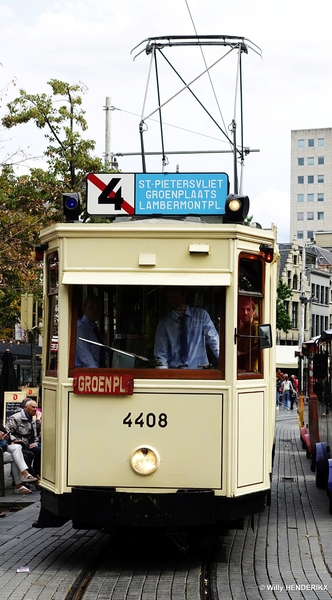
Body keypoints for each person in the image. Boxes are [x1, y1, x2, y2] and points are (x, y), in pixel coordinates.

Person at [154, 287, 219, 369]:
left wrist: (226, 364)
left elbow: (215, 341)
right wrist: (164, 378)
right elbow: (161, 355)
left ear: (184, 295)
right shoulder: (164, 324)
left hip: (200, 373)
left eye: (174, 297)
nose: (171, 300)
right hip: (175, 373)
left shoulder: (201, 316)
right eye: (169, 297)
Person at [6, 399, 41, 476]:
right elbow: (7, 431)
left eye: (36, 407)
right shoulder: (16, 417)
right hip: (19, 444)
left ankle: (36, 473)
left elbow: (35, 434)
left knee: (40, 450)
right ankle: (26, 476)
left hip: (28, 444)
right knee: (28, 454)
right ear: (26, 407)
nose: (35, 409)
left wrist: (35, 443)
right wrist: (14, 440)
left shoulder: (32, 418)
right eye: (33, 407)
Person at [0, 426, 38, 494]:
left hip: (2, 448)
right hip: (1, 450)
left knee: (17, 447)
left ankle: (24, 474)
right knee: (16, 456)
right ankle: (19, 484)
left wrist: (5, 437)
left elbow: (8, 439)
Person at [75, 294, 106, 368]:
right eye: (91, 308)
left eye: (98, 309)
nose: (95, 311)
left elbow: (98, 352)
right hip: (84, 374)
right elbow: (86, 356)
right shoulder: (80, 329)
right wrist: (96, 373)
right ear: (84, 309)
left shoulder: (94, 329)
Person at [237, 296, 259, 373]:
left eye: (248, 309)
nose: (245, 313)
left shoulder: (256, 326)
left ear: (253, 311)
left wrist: (242, 354)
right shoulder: (240, 329)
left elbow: (259, 347)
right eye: (242, 310)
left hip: (252, 371)